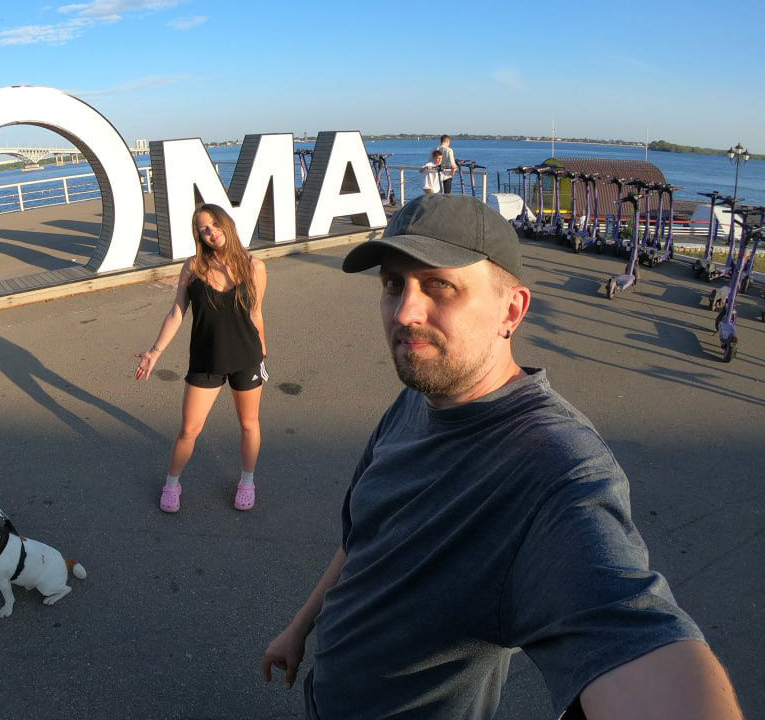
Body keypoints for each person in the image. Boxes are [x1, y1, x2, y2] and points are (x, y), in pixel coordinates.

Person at [261, 194, 742, 719]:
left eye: (439, 285)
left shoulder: (552, 467)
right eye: (394, 284)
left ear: (511, 311)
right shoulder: (418, 399)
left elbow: (627, 626)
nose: (404, 312)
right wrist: (300, 627)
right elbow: (364, 540)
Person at [134, 204, 268, 513]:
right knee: (189, 430)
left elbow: (256, 312)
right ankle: (172, 483)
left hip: (246, 356)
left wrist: (262, 350)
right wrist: (154, 352)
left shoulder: (255, 267)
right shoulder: (194, 267)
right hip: (206, 360)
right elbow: (177, 311)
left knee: (249, 424)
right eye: (203, 229)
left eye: (214, 224)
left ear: (227, 224)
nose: (211, 232)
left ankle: (247, 481)